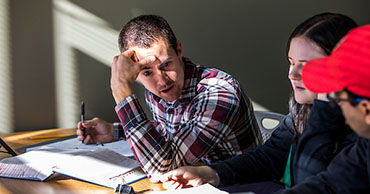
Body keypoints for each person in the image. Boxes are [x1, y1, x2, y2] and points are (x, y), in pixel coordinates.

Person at [160, 13, 358, 193]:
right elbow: (269, 157)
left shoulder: (360, 134)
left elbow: (310, 184)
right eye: (291, 62)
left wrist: (324, 108)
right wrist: (208, 173)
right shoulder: (303, 110)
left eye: (306, 66)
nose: (292, 74)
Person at [76, 15, 263, 181]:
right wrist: (115, 131)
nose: (162, 80)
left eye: (166, 65)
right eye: (146, 72)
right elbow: (171, 132)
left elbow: (162, 168)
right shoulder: (157, 90)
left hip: (241, 186)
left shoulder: (219, 94)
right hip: (195, 182)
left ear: (179, 50)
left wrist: (120, 90)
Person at [278, 25, 370, 194]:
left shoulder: (357, 137)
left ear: (366, 111)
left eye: (339, 101)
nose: (334, 105)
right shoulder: (365, 147)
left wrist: (324, 114)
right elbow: (329, 184)